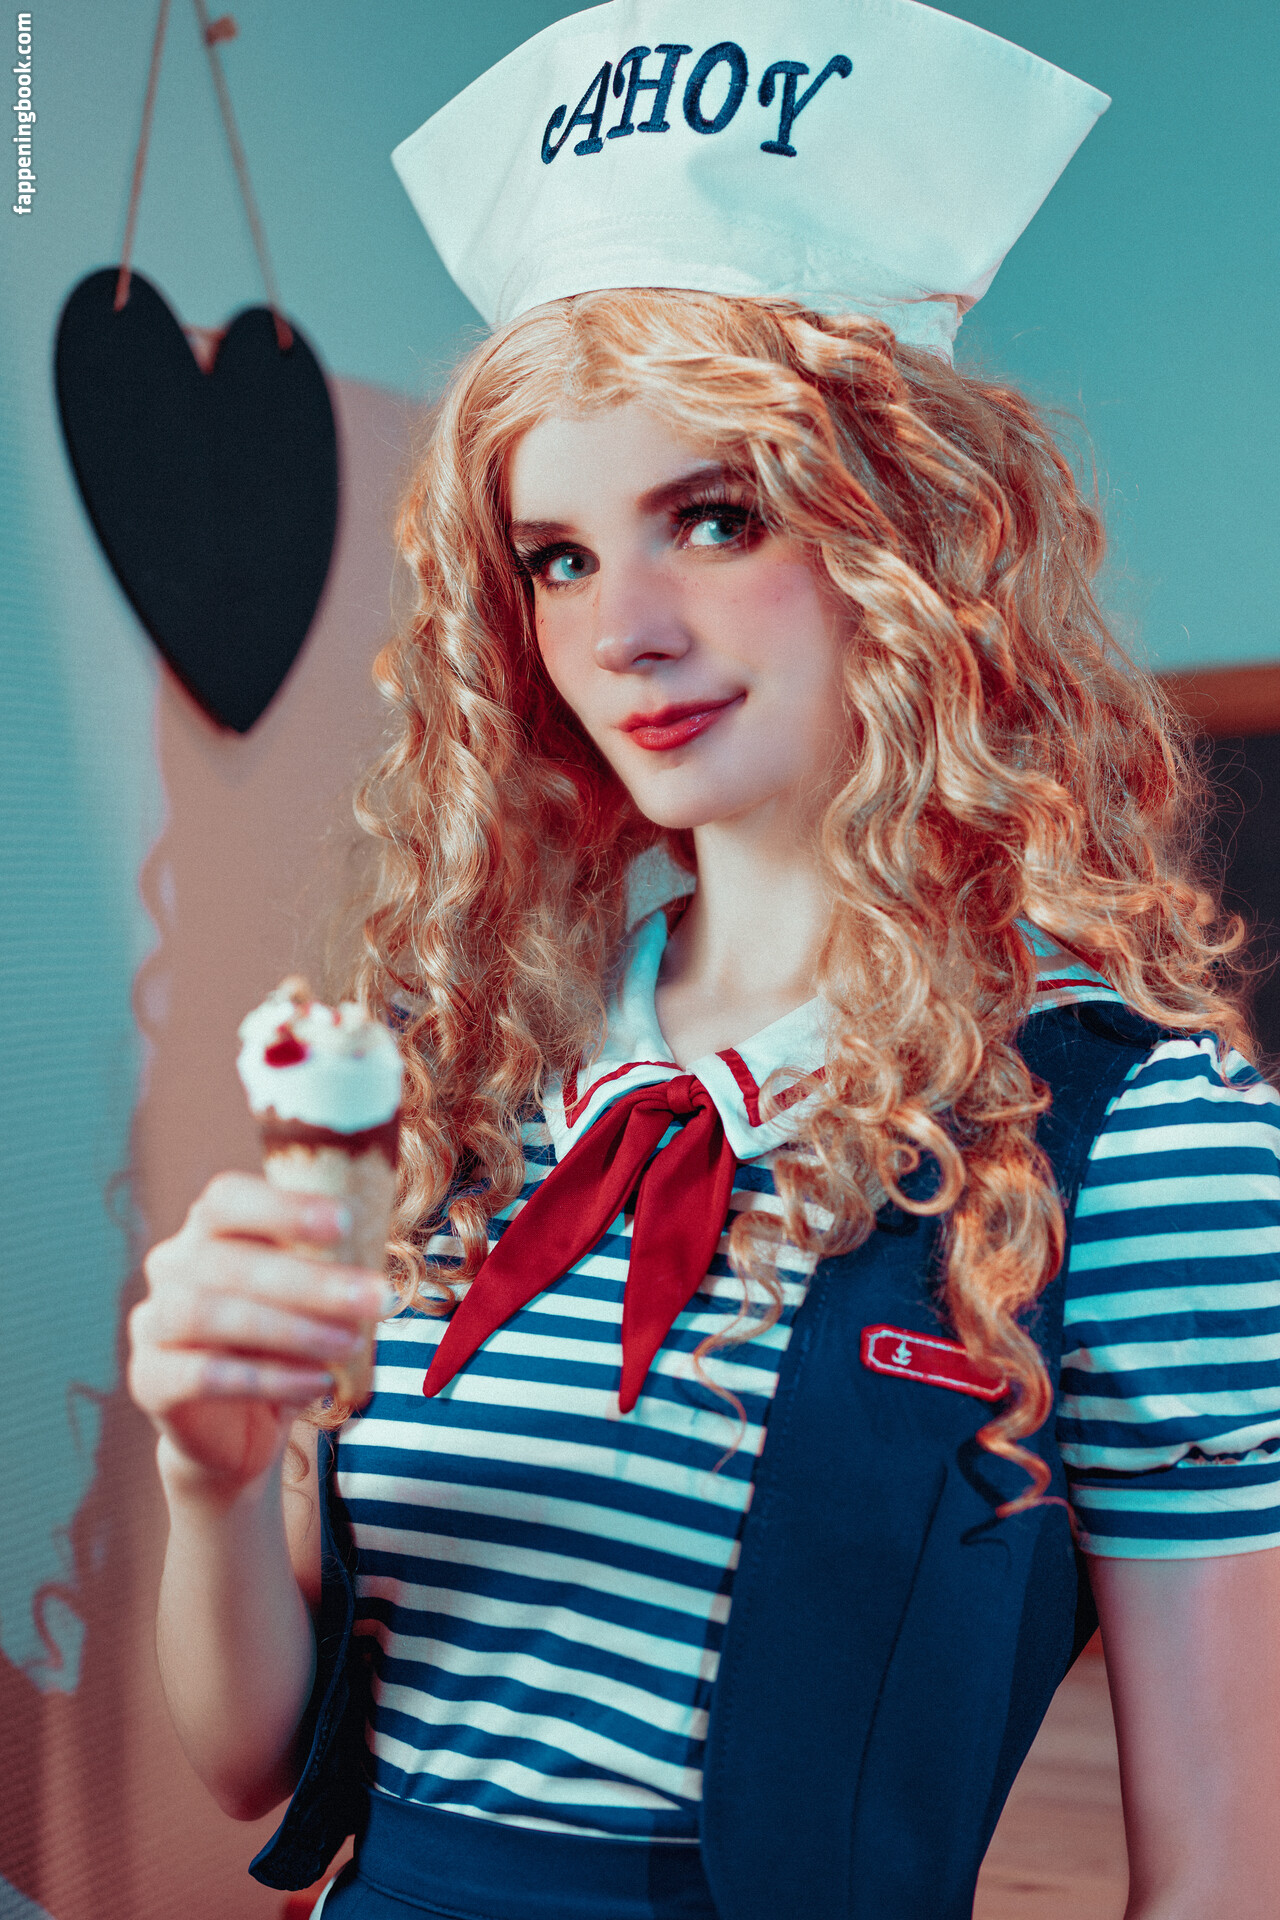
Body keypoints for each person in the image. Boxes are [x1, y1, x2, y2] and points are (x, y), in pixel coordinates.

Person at [128, 4, 1280, 1916]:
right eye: (559, 557)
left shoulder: (1140, 1137)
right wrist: (216, 1474)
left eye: (717, 518)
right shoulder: (462, 1065)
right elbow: (257, 1758)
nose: (625, 632)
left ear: (911, 537)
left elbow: (1222, 1882)